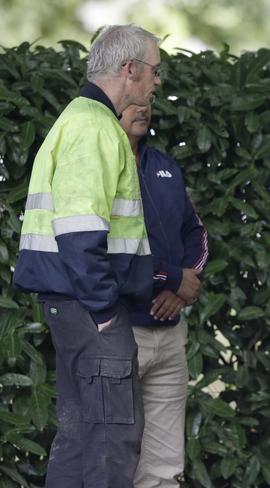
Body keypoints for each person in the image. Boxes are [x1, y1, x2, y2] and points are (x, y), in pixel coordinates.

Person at [13, 24, 161, 488]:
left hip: (74, 306)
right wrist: (103, 312)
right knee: (110, 442)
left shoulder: (79, 119)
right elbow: (79, 232)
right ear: (130, 68)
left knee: (80, 440)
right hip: (92, 310)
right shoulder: (96, 127)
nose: (156, 83)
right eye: (154, 72)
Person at [119, 103, 208, 487]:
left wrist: (180, 286)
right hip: (119, 329)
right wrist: (171, 278)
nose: (144, 109)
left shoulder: (166, 167)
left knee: (165, 465)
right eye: (134, 101)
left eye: (149, 101)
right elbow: (110, 249)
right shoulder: (100, 163)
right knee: (110, 453)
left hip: (169, 333)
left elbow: (196, 234)